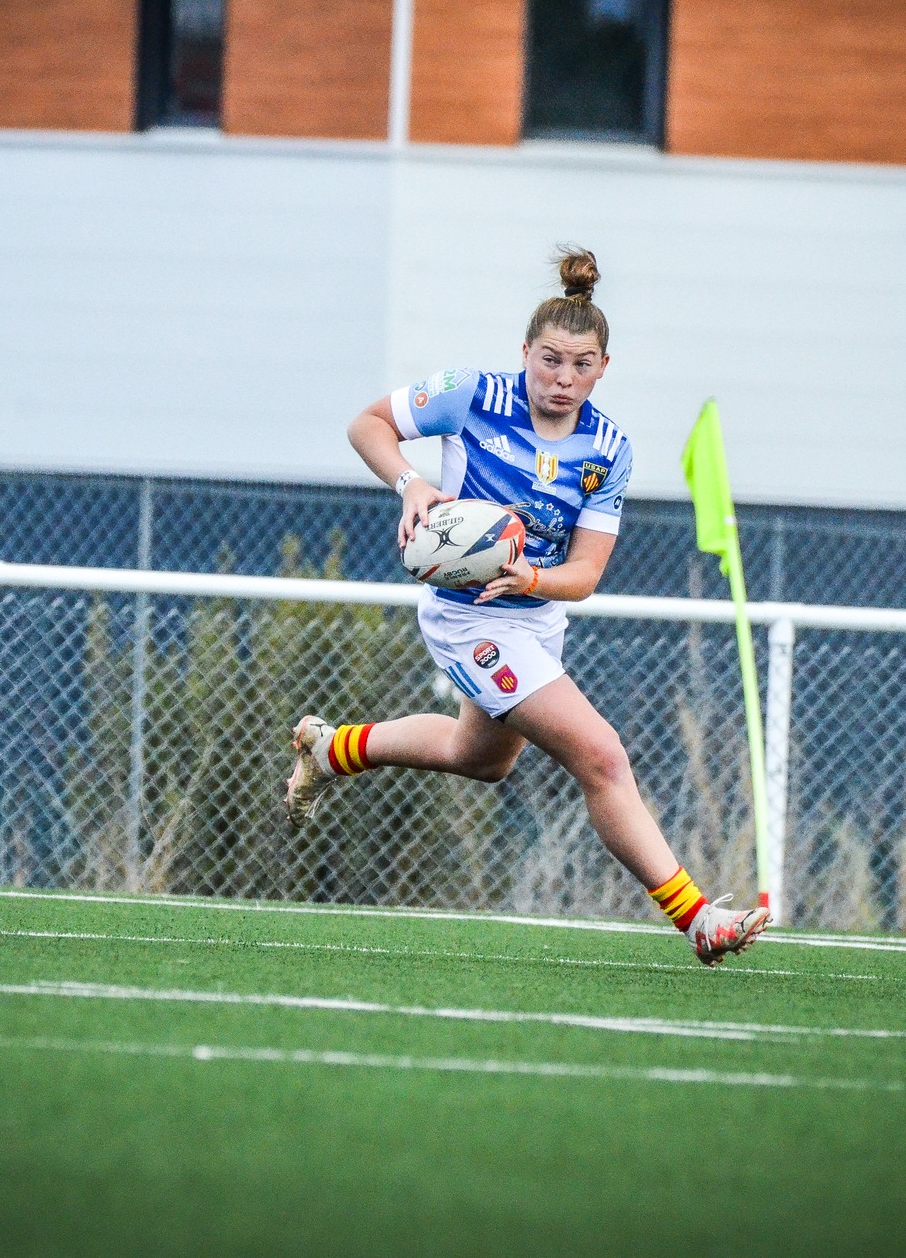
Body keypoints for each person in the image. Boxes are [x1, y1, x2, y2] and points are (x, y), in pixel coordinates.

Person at [282, 248, 769, 966]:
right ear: (524, 354)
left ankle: (331, 751)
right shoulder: (473, 394)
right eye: (549, 360)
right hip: (468, 618)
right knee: (601, 757)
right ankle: (697, 919)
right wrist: (411, 486)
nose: (562, 378)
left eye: (581, 365)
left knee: (477, 758)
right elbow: (367, 425)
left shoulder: (608, 450)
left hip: (533, 617)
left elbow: (585, 573)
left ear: (605, 367)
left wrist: (531, 581)